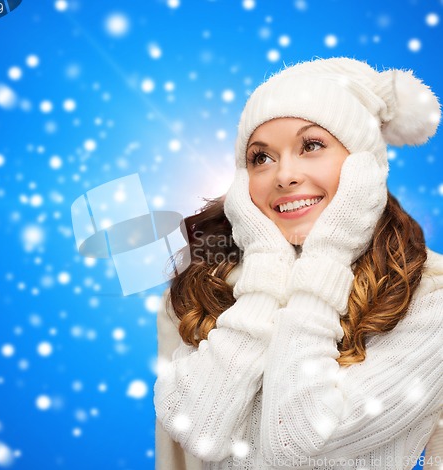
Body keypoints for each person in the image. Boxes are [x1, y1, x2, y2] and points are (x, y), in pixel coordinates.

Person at [153, 57, 443, 470]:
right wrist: (266, 270)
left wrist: (328, 255)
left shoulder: (431, 298)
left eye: (311, 146)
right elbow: (198, 428)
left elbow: (297, 440)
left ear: (364, 167)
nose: (284, 175)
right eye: (261, 158)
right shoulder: (208, 288)